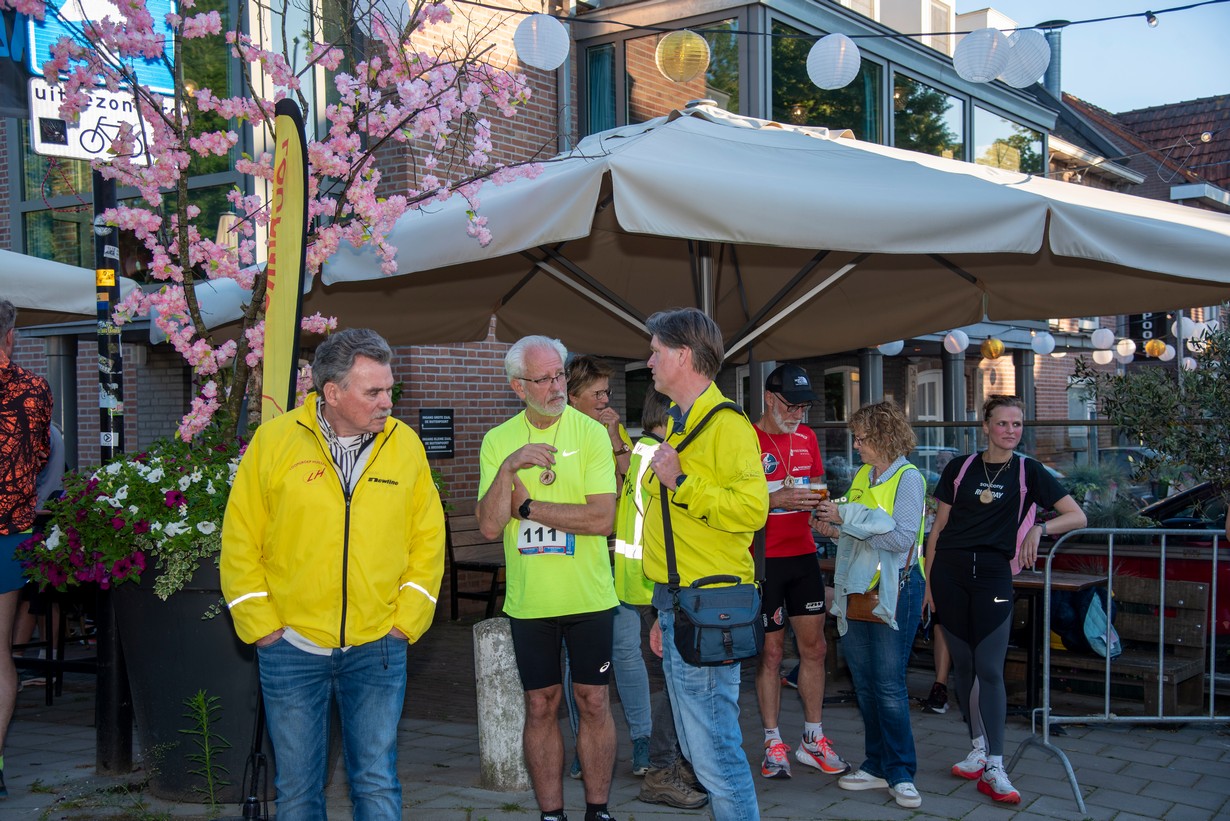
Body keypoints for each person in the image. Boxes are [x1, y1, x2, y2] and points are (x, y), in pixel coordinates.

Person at [221, 328, 445, 820]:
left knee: (377, 783)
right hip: (291, 648)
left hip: (379, 646)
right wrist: (263, 629)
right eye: (374, 392)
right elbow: (240, 542)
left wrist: (405, 623)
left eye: (390, 389)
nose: (388, 401)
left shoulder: (405, 445)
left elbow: (428, 540)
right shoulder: (274, 442)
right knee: (298, 791)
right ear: (333, 393)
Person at [476, 335, 619, 821]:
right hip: (531, 600)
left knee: (593, 701)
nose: (558, 385)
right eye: (545, 378)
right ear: (519, 387)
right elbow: (491, 524)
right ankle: (551, 814)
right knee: (540, 705)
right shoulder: (498, 441)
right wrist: (509, 468)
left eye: (560, 374)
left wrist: (532, 506)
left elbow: (602, 520)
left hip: (589, 595)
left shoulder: (591, 433)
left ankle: (597, 809)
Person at [923, 395, 1086, 805]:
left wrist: (1039, 531)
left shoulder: (1031, 471)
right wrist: (927, 583)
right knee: (964, 666)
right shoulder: (960, 468)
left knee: (991, 668)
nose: (1011, 431)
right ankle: (978, 747)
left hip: (994, 574)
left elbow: (1077, 515)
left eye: (1017, 424)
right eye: (1003, 423)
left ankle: (996, 765)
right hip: (950, 572)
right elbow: (938, 529)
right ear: (986, 426)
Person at [641, 307, 769, 821]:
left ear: (683, 355)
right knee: (700, 750)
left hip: (709, 606)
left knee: (713, 750)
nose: (648, 361)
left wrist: (682, 482)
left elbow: (751, 509)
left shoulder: (727, 425)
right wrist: (660, 611)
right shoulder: (681, 423)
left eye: (655, 351)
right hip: (681, 606)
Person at [814, 401, 926, 810]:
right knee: (865, 683)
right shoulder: (863, 474)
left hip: (894, 591)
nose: (856, 445)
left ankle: (901, 772)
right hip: (858, 590)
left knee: (890, 687)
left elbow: (901, 540)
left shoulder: (909, 478)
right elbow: (855, 528)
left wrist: (846, 523)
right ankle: (876, 765)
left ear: (884, 436)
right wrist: (831, 523)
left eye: (862, 437)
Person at [752, 364, 848, 780]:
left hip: (804, 554)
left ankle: (813, 738)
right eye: (791, 406)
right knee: (771, 653)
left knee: (815, 650)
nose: (798, 416)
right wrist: (776, 499)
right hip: (763, 559)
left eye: (804, 408)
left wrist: (823, 516)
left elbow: (813, 489)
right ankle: (773, 741)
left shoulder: (807, 437)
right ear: (770, 399)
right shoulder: (747, 438)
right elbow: (735, 501)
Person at [619, 389, 707, 810]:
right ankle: (662, 770)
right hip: (662, 584)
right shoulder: (657, 456)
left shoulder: (644, 452)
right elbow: (660, 527)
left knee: (677, 682)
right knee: (676, 684)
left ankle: (677, 764)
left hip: (652, 584)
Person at [561, 355, 643, 781]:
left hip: (616, 560)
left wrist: (614, 434)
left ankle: (643, 741)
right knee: (578, 662)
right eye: (597, 393)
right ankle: (583, 746)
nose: (605, 399)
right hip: (574, 562)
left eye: (608, 391)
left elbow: (631, 478)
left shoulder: (616, 434)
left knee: (628, 651)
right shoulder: (562, 438)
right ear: (572, 397)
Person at [0, 300, 52, 800]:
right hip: (7, 532)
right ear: (10, 336)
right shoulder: (33, 390)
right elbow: (38, 455)